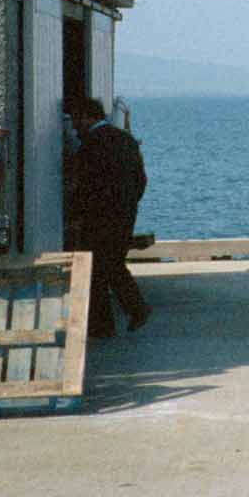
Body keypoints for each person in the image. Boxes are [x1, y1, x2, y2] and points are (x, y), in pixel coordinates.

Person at [68, 96, 151, 338]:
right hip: (124, 214)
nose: (73, 125)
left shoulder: (90, 145)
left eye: (75, 119)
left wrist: (77, 214)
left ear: (86, 116)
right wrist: (129, 204)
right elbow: (140, 180)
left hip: (98, 217)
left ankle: (107, 324)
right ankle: (131, 311)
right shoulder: (126, 140)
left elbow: (85, 186)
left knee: (96, 269)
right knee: (111, 264)